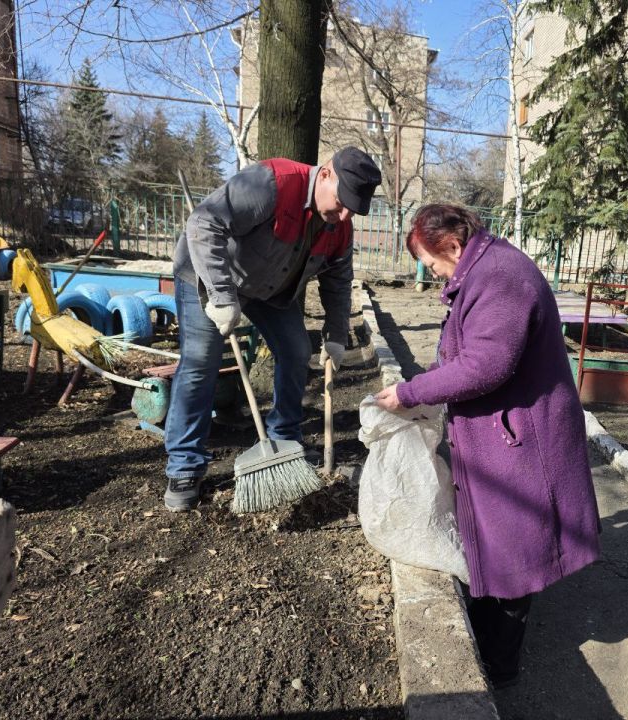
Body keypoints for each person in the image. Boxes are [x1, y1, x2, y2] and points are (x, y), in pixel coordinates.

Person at [374, 204, 601, 686]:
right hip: (508, 429)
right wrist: (428, 382)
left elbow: (486, 365)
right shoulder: (481, 271)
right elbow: (463, 350)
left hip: (522, 435)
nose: (433, 274)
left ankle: (499, 667)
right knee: (498, 541)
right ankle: (487, 633)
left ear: (453, 245)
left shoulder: (499, 277)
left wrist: (412, 392)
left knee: (516, 552)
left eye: (431, 263)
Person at [164, 147, 382, 512]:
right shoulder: (271, 183)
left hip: (268, 290)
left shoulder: (339, 226)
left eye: (353, 209)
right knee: (201, 362)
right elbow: (204, 224)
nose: (344, 215)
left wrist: (336, 334)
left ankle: (284, 440)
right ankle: (185, 465)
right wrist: (222, 296)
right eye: (342, 202)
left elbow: (339, 280)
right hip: (210, 276)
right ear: (325, 175)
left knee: (297, 351)